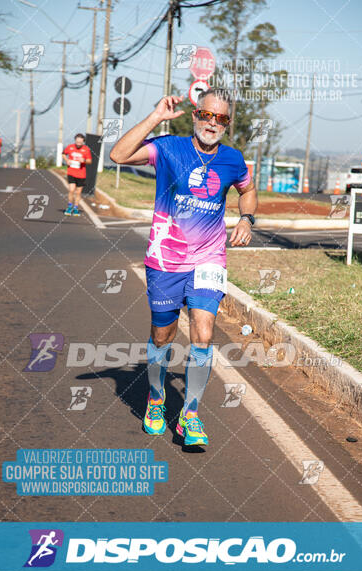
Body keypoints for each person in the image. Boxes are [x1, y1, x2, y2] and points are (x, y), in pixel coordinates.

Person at [110, 89, 257, 447]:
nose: (212, 123)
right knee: (163, 335)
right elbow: (118, 154)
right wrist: (155, 117)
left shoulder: (233, 159)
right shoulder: (169, 147)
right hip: (165, 260)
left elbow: (247, 190)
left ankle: (189, 415)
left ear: (227, 123)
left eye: (221, 118)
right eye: (207, 115)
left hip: (209, 259)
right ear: (195, 114)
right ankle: (157, 398)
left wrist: (247, 218)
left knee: (204, 335)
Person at [62, 133, 92, 216]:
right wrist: (67, 160)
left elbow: (90, 161)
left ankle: (76, 208)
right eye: (77, 142)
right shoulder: (70, 147)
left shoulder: (86, 149)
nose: (78, 144)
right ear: (75, 141)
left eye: (80, 142)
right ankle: (69, 207)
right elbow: (63, 153)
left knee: (78, 193)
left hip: (81, 174)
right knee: (71, 190)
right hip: (71, 172)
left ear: (83, 142)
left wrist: (84, 160)